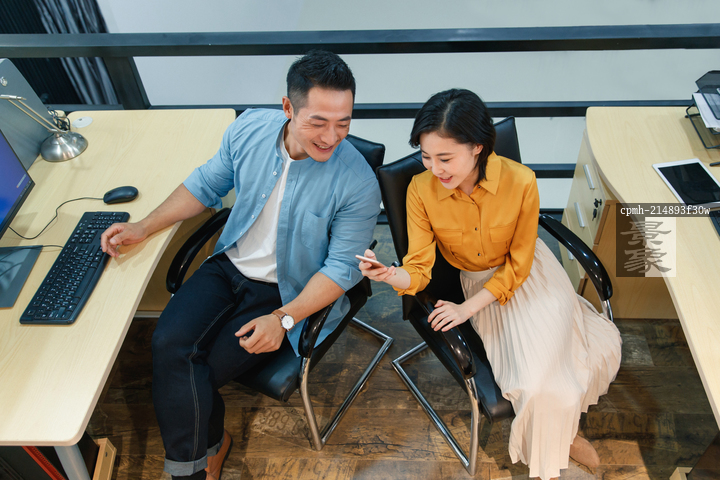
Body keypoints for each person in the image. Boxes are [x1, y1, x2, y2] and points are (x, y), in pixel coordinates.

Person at [100, 50, 381, 480]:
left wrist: (283, 319)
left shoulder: (358, 182)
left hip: (287, 289)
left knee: (195, 373)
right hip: (228, 265)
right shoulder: (249, 128)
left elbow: (342, 268)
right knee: (168, 344)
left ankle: (195, 466)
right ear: (287, 108)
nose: (331, 137)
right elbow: (205, 185)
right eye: (318, 122)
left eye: (343, 123)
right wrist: (143, 226)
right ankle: (207, 454)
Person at [359, 88, 621, 480]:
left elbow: (520, 263)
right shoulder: (421, 191)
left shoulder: (521, 181)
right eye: (426, 156)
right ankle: (556, 448)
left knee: (586, 357)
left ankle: (563, 434)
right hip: (480, 283)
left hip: (530, 275)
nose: (434, 168)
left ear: (477, 147)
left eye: (445, 158)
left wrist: (466, 309)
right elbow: (419, 268)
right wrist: (389, 274)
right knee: (536, 384)